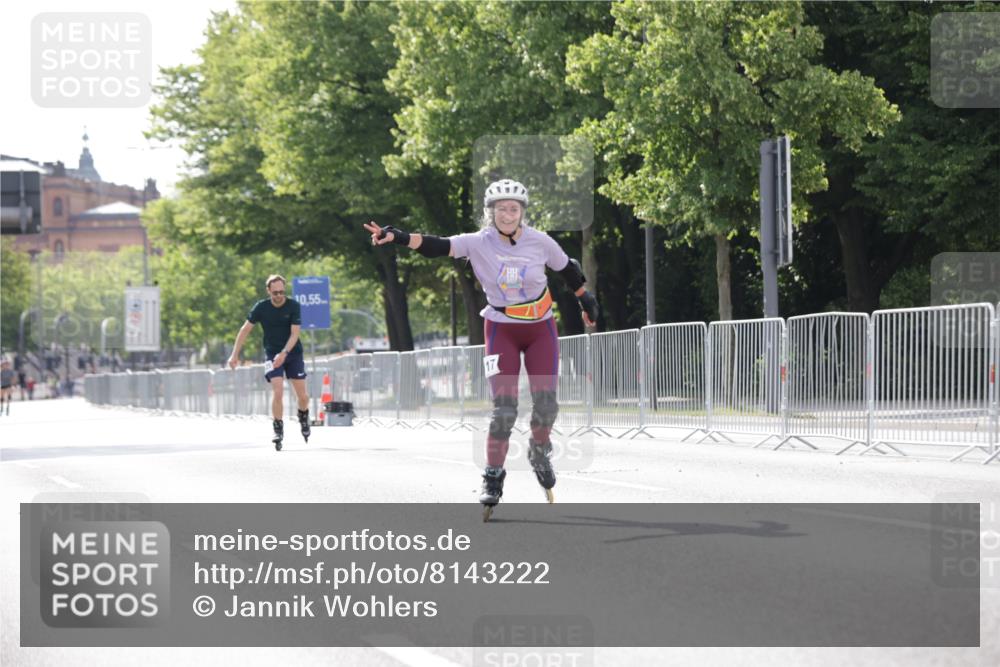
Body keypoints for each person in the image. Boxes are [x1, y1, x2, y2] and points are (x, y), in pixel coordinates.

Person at [363, 178, 599, 519]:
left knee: (546, 404)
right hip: (501, 329)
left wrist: (584, 300)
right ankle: (492, 476)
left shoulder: (539, 241)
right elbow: (435, 245)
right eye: (501, 209)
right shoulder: (478, 242)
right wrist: (398, 237)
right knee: (504, 409)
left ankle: (539, 449)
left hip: (540, 329)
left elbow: (569, 271)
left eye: (514, 209)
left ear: (522, 212)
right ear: (491, 213)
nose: (508, 214)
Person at [228, 274, 311, 451]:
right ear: (269, 291)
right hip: (272, 354)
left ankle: (303, 415)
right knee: (278, 390)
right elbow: (245, 330)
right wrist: (234, 354)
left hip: (293, 352)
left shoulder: (293, 306)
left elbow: (295, 334)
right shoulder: (261, 307)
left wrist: (285, 353)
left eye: (282, 292)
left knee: (303, 396)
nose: (279, 295)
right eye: (275, 293)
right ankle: (278, 428)